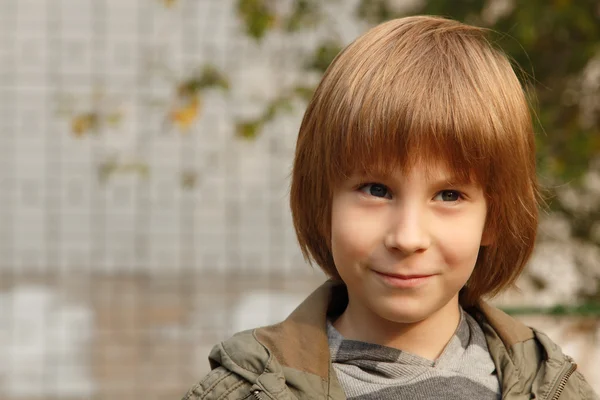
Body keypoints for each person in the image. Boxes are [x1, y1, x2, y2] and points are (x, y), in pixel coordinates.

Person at [182, 16, 599, 400]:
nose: (407, 237)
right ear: (323, 199)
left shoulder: (554, 389)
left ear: (493, 217)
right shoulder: (245, 390)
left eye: (449, 195)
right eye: (377, 190)